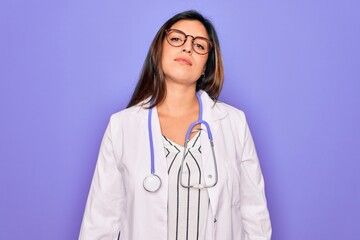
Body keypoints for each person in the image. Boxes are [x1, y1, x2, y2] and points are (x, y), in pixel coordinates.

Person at [79, 10, 271, 240]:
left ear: (206, 65)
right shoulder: (122, 126)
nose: (187, 48)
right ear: (159, 49)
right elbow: (99, 224)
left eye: (199, 45)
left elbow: (255, 216)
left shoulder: (234, 123)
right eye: (177, 38)